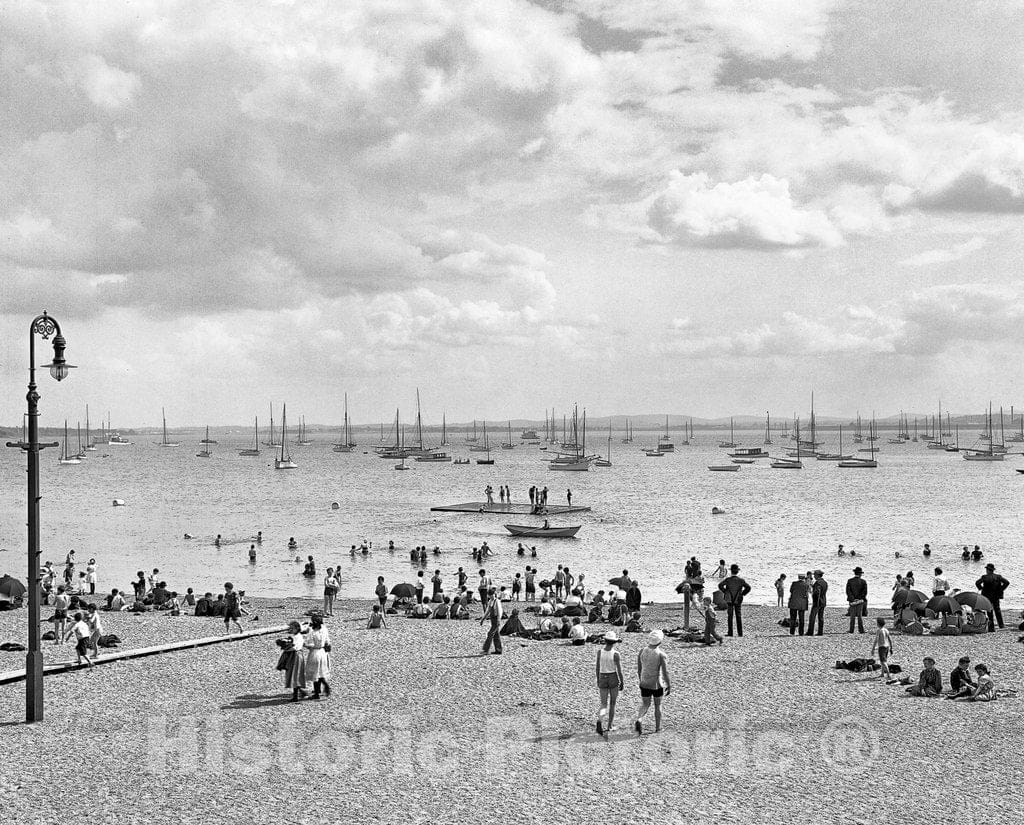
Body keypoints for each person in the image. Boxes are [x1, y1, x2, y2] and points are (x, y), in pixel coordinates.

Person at [634, 630, 670, 734]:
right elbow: (665, 672)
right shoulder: (661, 654)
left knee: (645, 704)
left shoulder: (642, 651)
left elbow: (639, 669)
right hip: (656, 684)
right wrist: (668, 684)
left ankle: (639, 719)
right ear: (660, 642)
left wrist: (640, 680)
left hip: (644, 682)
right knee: (658, 705)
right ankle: (658, 727)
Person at [595, 631, 624, 735]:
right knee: (612, 703)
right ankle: (610, 725)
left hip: (602, 676)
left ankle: (600, 720)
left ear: (605, 641)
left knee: (603, 703)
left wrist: (598, 679)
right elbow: (619, 670)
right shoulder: (616, 654)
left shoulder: (600, 652)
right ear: (614, 642)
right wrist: (622, 681)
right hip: (612, 677)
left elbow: (597, 667)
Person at [718, 564, 751, 637]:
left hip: (729, 599)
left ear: (731, 571)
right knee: (738, 616)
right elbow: (748, 588)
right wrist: (742, 594)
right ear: (737, 572)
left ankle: (730, 633)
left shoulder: (728, 580)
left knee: (730, 616)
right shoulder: (741, 580)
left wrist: (725, 592)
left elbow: (720, 585)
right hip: (738, 599)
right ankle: (740, 633)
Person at [303, 615, 331, 699]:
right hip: (323, 652)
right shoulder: (324, 629)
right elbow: (327, 641)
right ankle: (323, 687)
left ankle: (316, 694)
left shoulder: (312, 632)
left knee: (315, 673)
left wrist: (304, 644)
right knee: (321, 671)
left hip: (315, 653)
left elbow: (311, 644)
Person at [976, 564, 1010, 631]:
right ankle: (1001, 625)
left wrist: (981, 588)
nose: (986, 571)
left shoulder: (984, 577)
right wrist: (1001, 589)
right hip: (996, 595)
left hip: (987, 596)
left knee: (989, 611)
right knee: (997, 610)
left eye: (986, 569)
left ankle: (991, 627)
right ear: (993, 570)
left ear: (988, 570)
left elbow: (977, 583)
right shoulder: (998, 577)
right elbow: (1007, 582)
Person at [283, 620, 308, 701]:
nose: (291, 629)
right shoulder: (298, 636)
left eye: (292, 628)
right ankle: (300, 692)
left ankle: (295, 696)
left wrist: (286, 649)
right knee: (296, 674)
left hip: (296, 656)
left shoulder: (297, 637)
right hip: (298, 655)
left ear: (297, 629)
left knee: (294, 673)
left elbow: (295, 648)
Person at [480, 587, 503, 654]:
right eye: (490, 595)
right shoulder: (490, 601)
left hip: (496, 619)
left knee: (490, 634)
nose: (491, 596)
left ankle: (486, 650)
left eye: (492, 594)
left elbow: (499, 611)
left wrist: (499, 620)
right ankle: (498, 650)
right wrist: (482, 619)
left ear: (494, 594)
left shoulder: (497, 601)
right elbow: (487, 611)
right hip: (492, 619)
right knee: (496, 635)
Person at [846, 567, 867, 634]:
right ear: (860, 574)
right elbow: (864, 592)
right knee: (859, 616)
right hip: (860, 601)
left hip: (852, 601)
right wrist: (859, 598)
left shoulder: (850, 581)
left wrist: (853, 599)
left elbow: (848, 591)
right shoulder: (863, 582)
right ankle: (861, 630)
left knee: (852, 616)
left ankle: (851, 630)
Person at [807, 570, 828, 636]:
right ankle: (820, 632)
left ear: (817, 575)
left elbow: (817, 592)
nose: (814, 576)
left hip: (817, 602)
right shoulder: (825, 582)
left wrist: (815, 598)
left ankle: (810, 632)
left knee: (812, 617)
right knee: (820, 617)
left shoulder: (818, 583)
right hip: (823, 601)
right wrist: (813, 586)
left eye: (815, 575)